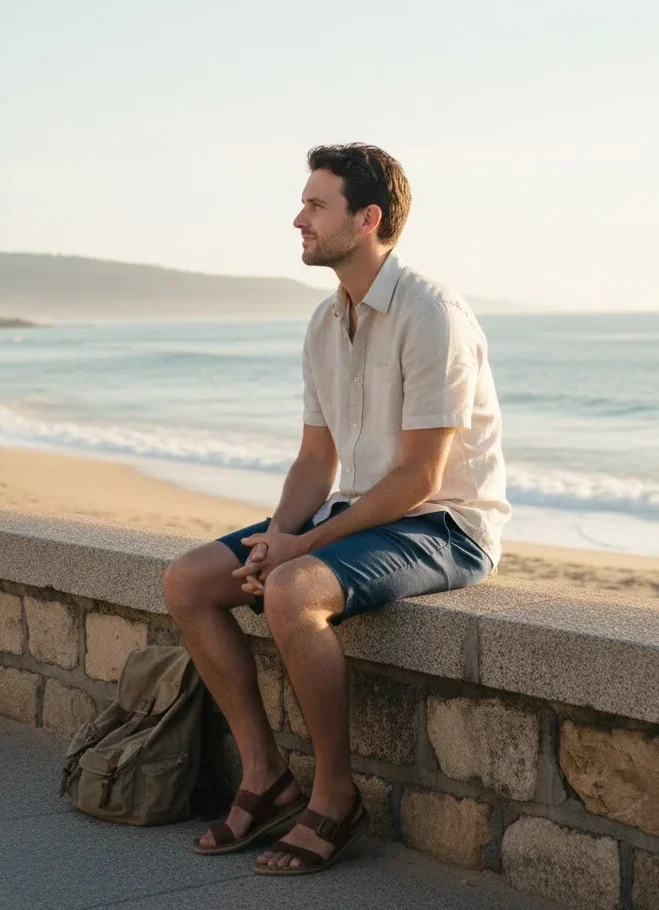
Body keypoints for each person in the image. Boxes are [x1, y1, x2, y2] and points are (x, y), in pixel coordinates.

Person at [164, 143, 509, 877]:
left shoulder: (430, 312)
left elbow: (420, 478)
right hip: (366, 510)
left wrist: (294, 557)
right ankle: (264, 777)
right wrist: (281, 533)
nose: (298, 218)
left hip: (445, 525)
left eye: (316, 205)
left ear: (368, 218)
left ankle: (335, 794)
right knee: (190, 580)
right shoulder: (326, 321)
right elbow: (316, 463)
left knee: (293, 593)